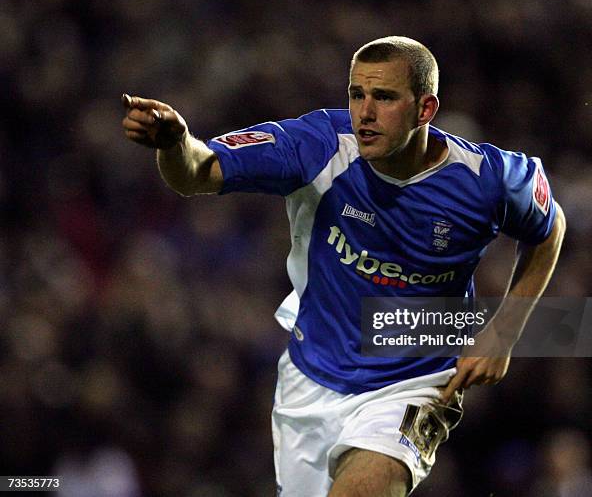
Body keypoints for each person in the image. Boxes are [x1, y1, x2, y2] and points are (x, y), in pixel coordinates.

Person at [122, 36, 565, 497]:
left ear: (426, 108)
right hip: (310, 379)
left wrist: (505, 331)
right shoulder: (316, 147)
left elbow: (549, 229)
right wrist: (175, 144)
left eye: (385, 97)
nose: (365, 113)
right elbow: (197, 173)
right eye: (357, 95)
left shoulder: (490, 180)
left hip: (414, 381)